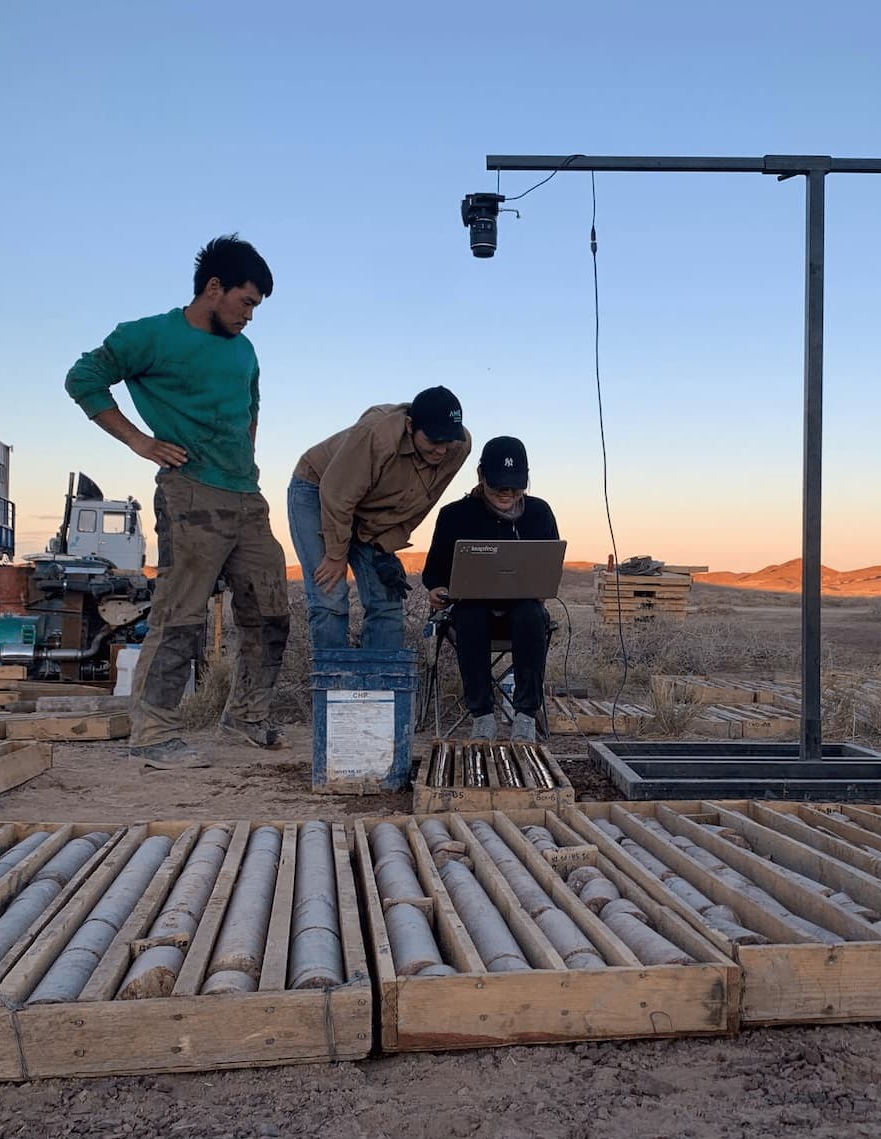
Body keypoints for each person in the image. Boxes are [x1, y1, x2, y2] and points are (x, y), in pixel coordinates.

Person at [65, 234, 290, 770]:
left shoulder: (244, 350)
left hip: (245, 497)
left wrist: (245, 459)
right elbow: (83, 379)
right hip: (190, 494)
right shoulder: (150, 336)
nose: (250, 316)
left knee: (272, 610)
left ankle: (246, 715)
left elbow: (251, 407)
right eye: (246, 302)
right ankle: (153, 729)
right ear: (214, 288)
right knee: (180, 615)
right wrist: (140, 442)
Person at [288, 388, 470, 650]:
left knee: (387, 599)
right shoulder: (377, 434)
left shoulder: (459, 447)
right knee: (330, 597)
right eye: (434, 440)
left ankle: (379, 685)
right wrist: (336, 554)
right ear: (410, 426)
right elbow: (338, 494)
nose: (442, 450)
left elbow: (421, 502)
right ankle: (334, 684)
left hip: (369, 509)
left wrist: (385, 546)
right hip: (318, 490)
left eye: (448, 441)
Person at [422, 436, 558, 742]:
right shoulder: (455, 515)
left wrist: (541, 587)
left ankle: (525, 716)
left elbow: (548, 569)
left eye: (515, 485)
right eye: (498, 484)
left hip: (522, 610)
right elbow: (433, 574)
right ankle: (482, 716)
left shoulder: (540, 514)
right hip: (473, 610)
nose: (507, 492)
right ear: (481, 475)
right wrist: (437, 590)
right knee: (470, 615)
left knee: (531, 614)